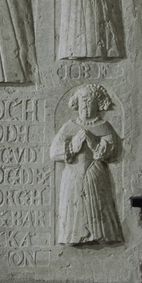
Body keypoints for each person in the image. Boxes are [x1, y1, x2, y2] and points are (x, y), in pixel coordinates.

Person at [50, 84, 124, 245]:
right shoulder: (69, 126)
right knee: (73, 207)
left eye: (90, 102)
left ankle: (101, 235)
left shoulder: (104, 126)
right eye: (83, 101)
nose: (85, 106)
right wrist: (73, 146)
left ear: (98, 104)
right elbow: (53, 152)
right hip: (73, 175)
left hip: (95, 173)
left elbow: (113, 152)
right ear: (77, 103)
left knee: (99, 207)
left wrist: (94, 144)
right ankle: (73, 237)